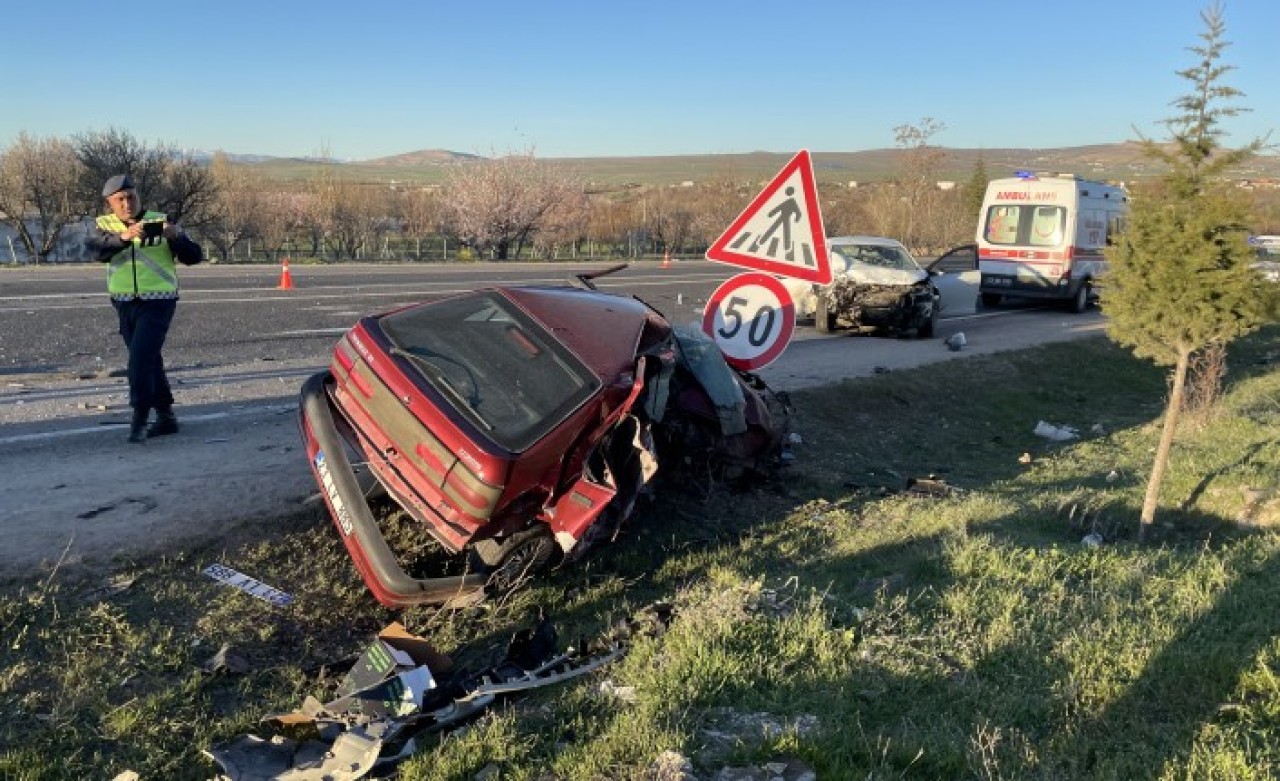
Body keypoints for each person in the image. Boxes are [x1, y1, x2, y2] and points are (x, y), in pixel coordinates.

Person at [88, 174, 204, 443]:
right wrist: (124, 237)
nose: (127, 204)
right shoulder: (102, 225)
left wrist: (177, 238)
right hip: (124, 302)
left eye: (131, 197)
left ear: (138, 196)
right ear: (109, 203)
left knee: (139, 359)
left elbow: (194, 256)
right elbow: (96, 252)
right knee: (149, 358)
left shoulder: (161, 220)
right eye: (120, 200)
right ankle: (166, 416)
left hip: (159, 300)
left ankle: (139, 416)